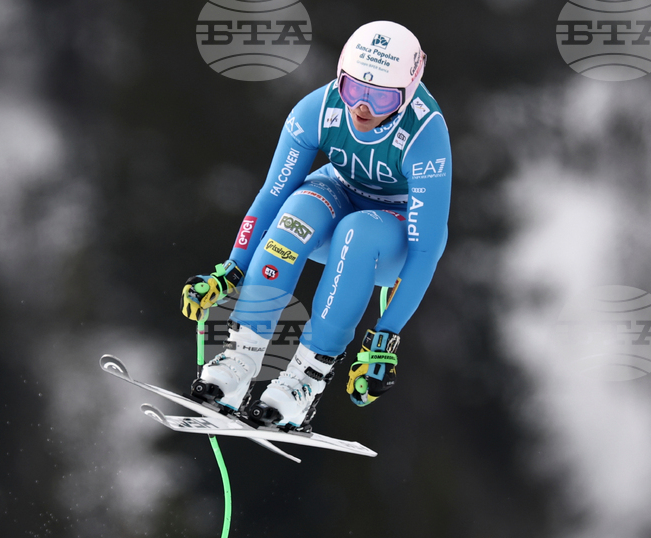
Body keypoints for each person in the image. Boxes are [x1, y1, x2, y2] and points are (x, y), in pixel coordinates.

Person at [181, 20, 451, 429]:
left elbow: (426, 247)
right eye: (353, 89)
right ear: (339, 77)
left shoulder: (425, 134)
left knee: (356, 233)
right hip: (338, 197)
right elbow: (271, 195)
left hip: (392, 234)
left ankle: (304, 380)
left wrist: (385, 337)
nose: (362, 107)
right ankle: (239, 359)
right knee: (297, 210)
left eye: (380, 98)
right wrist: (233, 267)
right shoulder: (318, 110)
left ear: (408, 91)